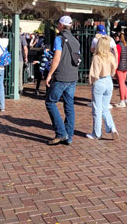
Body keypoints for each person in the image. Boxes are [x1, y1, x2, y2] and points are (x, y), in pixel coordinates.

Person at [45, 16, 81, 146]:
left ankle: (61, 132)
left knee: (50, 102)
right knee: (69, 105)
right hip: (73, 77)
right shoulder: (76, 41)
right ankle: (69, 136)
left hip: (61, 76)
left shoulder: (59, 39)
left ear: (61, 25)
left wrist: (50, 74)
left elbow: (57, 58)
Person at [86, 35, 119, 140]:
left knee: (97, 109)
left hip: (99, 81)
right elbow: (114, 69)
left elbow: (94, 73)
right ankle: (112, 128)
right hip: (109, 81)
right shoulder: (111, 56)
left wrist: (90, 82)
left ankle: (96, 133)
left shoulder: (97, 57)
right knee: (105, 108)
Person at [115, 32, 127, 107]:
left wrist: (115, 68)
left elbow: (117, 57)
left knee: (121, 84)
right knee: (123, 83)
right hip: (126, 66)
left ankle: (122, 101)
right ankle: (126, 99)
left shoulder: (118, 45)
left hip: (120, 67)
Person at [19, 29, 29, 95]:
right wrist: (26, 57)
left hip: (11, 58)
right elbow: (25, 49)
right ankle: (20, 88)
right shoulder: (22, 38)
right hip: (19, 59)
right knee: (20, 74)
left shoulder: (9, 37)